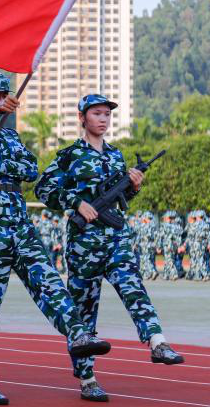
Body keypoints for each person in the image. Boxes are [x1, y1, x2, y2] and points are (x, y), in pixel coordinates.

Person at [0, 73, 110, 405]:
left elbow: (30, 168)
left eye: (3, 95)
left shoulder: (11, 135)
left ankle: (78, 334)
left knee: (49, 281)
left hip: (18, 220)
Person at [36, 94, 183, 402]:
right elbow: (43, 188)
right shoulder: (70, 155)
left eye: (107, 114)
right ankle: (87, 378)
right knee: (84, 314)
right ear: (82, 118)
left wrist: (134, 185)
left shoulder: (116, 156)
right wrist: (76, 202)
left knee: (134, 287)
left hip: (115, 239)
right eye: (97, 114)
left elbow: (122, 199)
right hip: (83, 245)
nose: (103, 119)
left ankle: (157, 341)